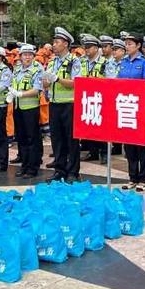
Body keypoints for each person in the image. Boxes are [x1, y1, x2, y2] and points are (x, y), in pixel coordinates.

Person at [44, 27, 82, 183]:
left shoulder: (74, 61)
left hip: (69, 104)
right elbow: (46, 81)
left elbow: (76, 83)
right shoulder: (52, 61)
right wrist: (46, 82)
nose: (54, 45)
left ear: (65, 44)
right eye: (54, 42)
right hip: (54, 103)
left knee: (71, 140)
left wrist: (57, 79)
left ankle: (73, 171)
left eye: (57, 42)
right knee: (57, 139)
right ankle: (59, 170)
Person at [117, 32, 145, 192]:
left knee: (142, 144)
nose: (127, 46)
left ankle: (144, 178)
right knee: (129, 144)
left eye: (130, 43)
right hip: (126, 105)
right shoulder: (123, 62)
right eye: (126, 43)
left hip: (141, 106)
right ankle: (132, 177)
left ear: (138, 45)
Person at [8, 43, 44, 178]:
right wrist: (11, 93)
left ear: (33, 56)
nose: (27, 57)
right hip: (18, 107)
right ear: (20, 57)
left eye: (30, 55)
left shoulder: (37, 69)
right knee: (21, 138)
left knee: (32, 139)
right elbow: (12, 84)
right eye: (25, 55)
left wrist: (21, 94)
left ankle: (32, 168)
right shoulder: (17, 69)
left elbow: (37, 89)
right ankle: (24, 165)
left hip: (31, 108)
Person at [78, 34, 106, 162]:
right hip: (86, 98)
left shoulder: (104, 62)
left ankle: (104, 152)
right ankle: (92, 151)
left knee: (102, 127)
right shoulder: (82, 62)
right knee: (90, 126)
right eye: (85, 47)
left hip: (101, 98)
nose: (86, 50)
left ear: (96, 48)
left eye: (89, 47)